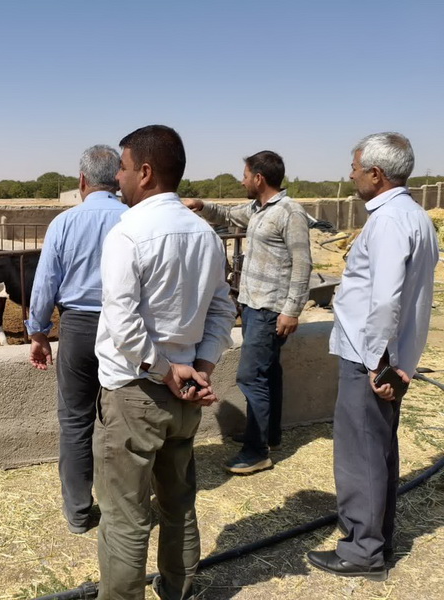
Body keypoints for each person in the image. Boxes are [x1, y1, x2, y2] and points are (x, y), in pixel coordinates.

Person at [93, 125, 236, 600]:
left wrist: (163, 369)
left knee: (125, 516)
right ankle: (179, 587)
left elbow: (122, 321)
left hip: (136, 393)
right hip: (186, 392)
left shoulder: (128, 233)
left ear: (145, 172)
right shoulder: (205, 234)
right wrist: (202, 366)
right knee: (178, 502)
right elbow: (222, 308)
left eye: (123, 167)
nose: (118, 176)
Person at [307, 132, 438, 581]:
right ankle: (378, 536)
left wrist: (378, 365)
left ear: (377, 174)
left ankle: (362, 550)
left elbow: (385, 301)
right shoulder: (415, 216)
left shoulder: (388, 222)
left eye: (356, 168)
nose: (351, 175)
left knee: (360, 452)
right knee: (378, 449)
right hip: (391, 357)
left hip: (371, 358)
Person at [183, 151, 312, 474]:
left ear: (259, 178)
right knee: (269, 373)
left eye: (244, 176)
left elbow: (302, 264)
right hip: (254, 305)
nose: (241, 182)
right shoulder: (257, 209)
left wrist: (292, 310)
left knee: (251, 377)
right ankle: (270, 435)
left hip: (271, 308)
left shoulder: (289, 212)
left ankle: (256, 452)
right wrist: (201, 205)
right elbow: (228, 215)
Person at [25, 144, 127, 534]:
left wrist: (38, 331)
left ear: (82, 180)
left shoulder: (64, 223)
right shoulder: (133, 218)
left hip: (79, 329)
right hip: (126, 329)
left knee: (75, 421)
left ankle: (79, 512)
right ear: (118, 178)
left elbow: (45, 283)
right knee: (123, 419)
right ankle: (122, 507)